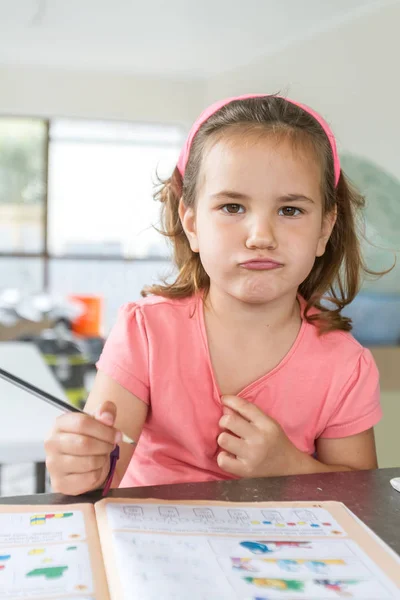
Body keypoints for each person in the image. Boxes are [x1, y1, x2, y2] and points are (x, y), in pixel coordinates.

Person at [45, 94, 383, 496]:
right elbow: (99, 484)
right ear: (191, 223)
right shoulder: (145, 333)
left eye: (290, 211)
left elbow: (363, 498)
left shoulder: (345, 365)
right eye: (232, 207)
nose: (261, 236)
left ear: (325, 230)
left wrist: (288, 467)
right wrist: (79, 466)